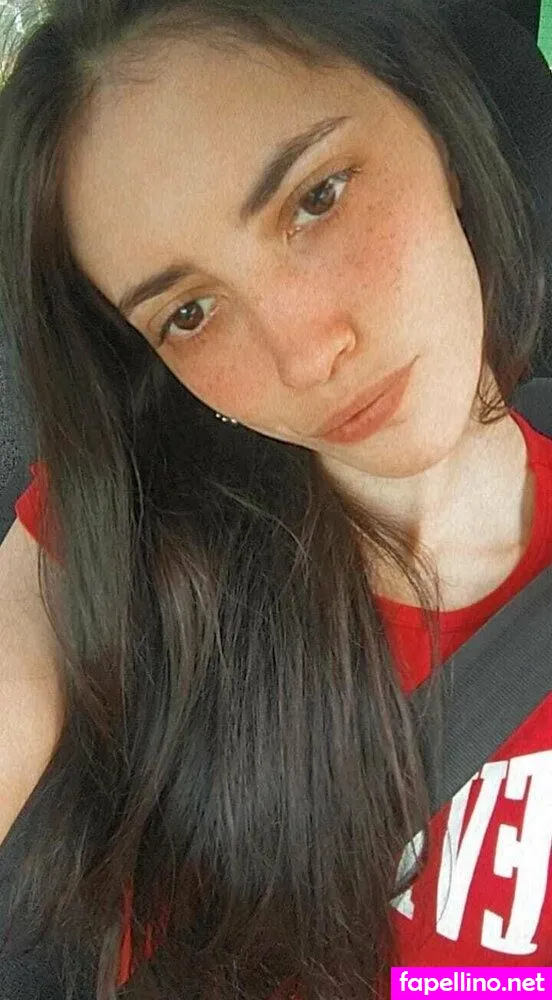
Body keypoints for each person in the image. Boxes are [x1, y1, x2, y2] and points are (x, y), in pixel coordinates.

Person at [0, 0, 550, 997]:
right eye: (190, 312)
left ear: (437, 125)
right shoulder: (138, 526)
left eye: (317, 196)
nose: (305, 356)